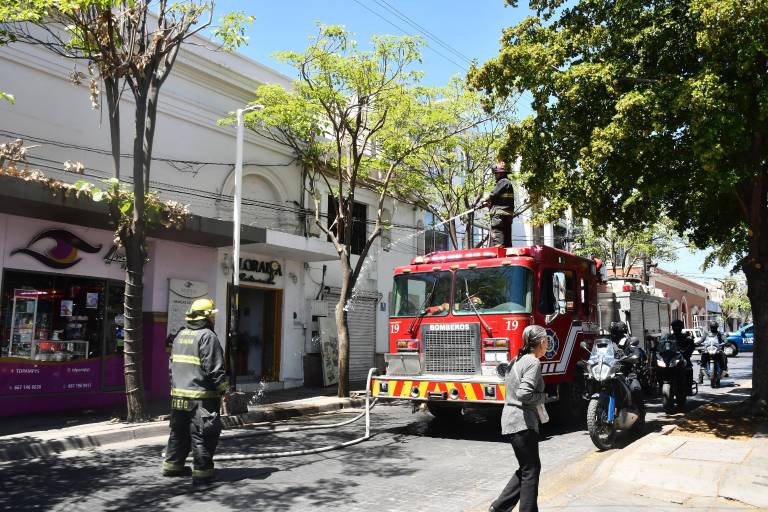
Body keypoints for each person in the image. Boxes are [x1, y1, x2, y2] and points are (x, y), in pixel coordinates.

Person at [163, 297, 228, 484]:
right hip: (201, 397)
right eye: (212, 317)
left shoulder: (180, 335)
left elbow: (171, 367)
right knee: (203, 434)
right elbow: (214, 368)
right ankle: (203, 472)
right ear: (207, 318)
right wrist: (225, 391)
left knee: (178, 432)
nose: (214, 320)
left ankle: (172, 466)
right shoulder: (208, 336)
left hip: (178, 395)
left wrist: (175, 388)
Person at [490, 325, 548, 512]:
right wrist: (543, 397)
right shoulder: (533, 362)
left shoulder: (517, 360)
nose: (547, 345)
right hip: (522, 421)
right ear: (541, 342)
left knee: (526, 467)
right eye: (546, 341)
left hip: (510, 420)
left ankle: (499, 507)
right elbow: (524, 394)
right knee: (531, 470)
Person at [483, 162, 516, 248]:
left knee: (498, 243)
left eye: (495, 173)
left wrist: (484, 200)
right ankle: (507, 260)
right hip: (507, 217)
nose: (495, 176)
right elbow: (501, 200)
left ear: (500, 173)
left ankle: (499, 259)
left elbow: (493, 194)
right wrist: (489, 205)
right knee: (507, 244)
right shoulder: (508, 184)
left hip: (499, 218)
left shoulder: (503, 182)